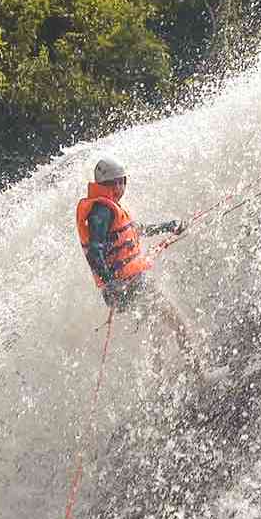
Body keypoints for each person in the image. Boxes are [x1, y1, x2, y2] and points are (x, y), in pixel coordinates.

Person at [74, 157, 208, 377]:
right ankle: (201, 375)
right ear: (106, 185)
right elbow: (95, 252)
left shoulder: (110, 208)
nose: (120, 187)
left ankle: (159, 380)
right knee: (178, 323)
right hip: (128, 286)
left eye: (122, 181)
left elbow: (136, 230)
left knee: (157, 329)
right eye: (116, 183)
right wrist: (110, 283)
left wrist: (168, 226)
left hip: (130, 284)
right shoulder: (102, 211)